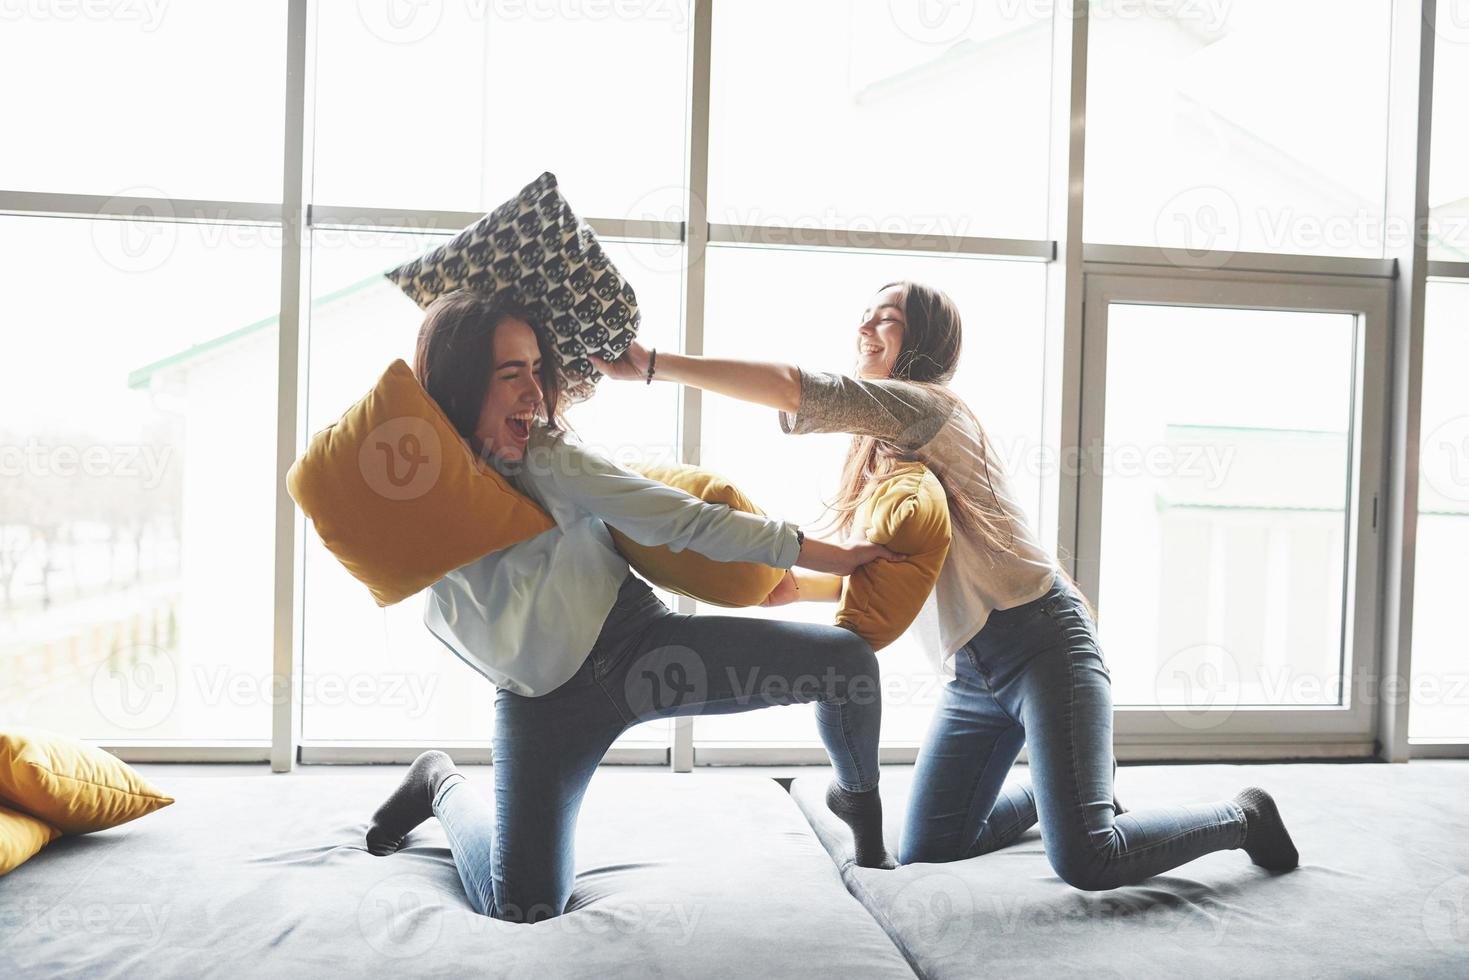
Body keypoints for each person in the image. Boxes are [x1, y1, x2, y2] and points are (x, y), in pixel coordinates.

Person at [591, 280, 1300, 889]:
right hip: (971, 675)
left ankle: (1243, 817)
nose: (866, 325)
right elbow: (895, 570)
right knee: (933, 847)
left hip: (1042, 644)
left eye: (887, 317)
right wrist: (794, 590)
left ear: (921, 340)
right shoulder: (882, 452)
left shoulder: (928, 408)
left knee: (1087, 860)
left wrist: (654, 364)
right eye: (865, 314)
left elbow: (792, 386)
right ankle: (1083, 783)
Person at [364, 289, 901, 924]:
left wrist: (828, 556)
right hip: (543, 708)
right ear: (460, 384)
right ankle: (439, 783)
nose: (534, 393)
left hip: (645, 650)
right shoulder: (421, 491)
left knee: (847, 664)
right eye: (512, 375)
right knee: (524, 904)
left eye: (538, 370)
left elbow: (683, 520)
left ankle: (861, 818)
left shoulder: (551, 456)